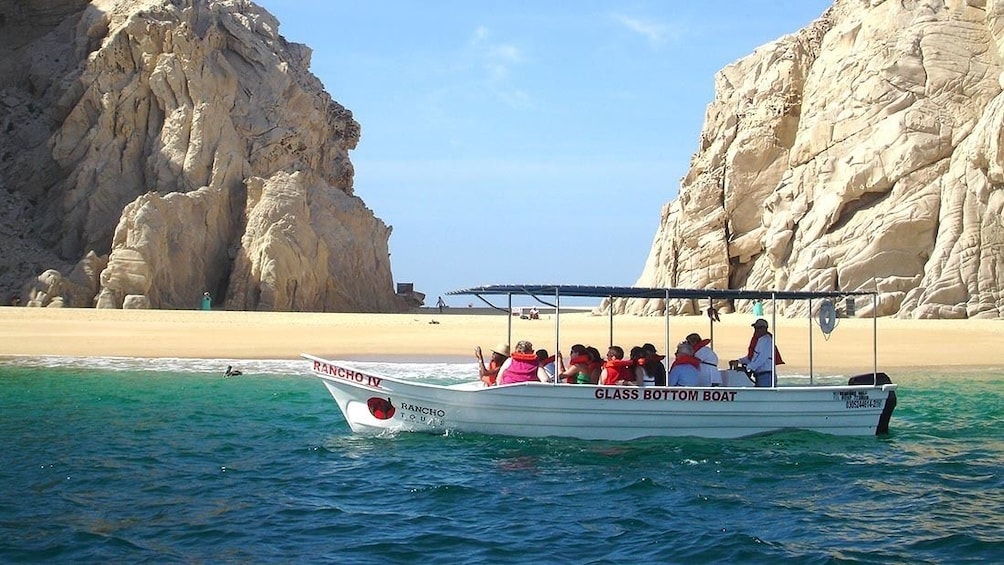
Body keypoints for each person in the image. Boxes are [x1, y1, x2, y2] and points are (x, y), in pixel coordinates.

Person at [731, 318, 784, 387]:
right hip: (760, 376)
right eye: (755, 328)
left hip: (766, 376)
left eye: (758, 328)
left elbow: (761, 359)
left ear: (764, 329)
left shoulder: (767, 341)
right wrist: (739, 361)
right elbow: (752, 357)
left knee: (764, 396)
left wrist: (748, 367)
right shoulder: (759, 340)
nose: (756, 330)